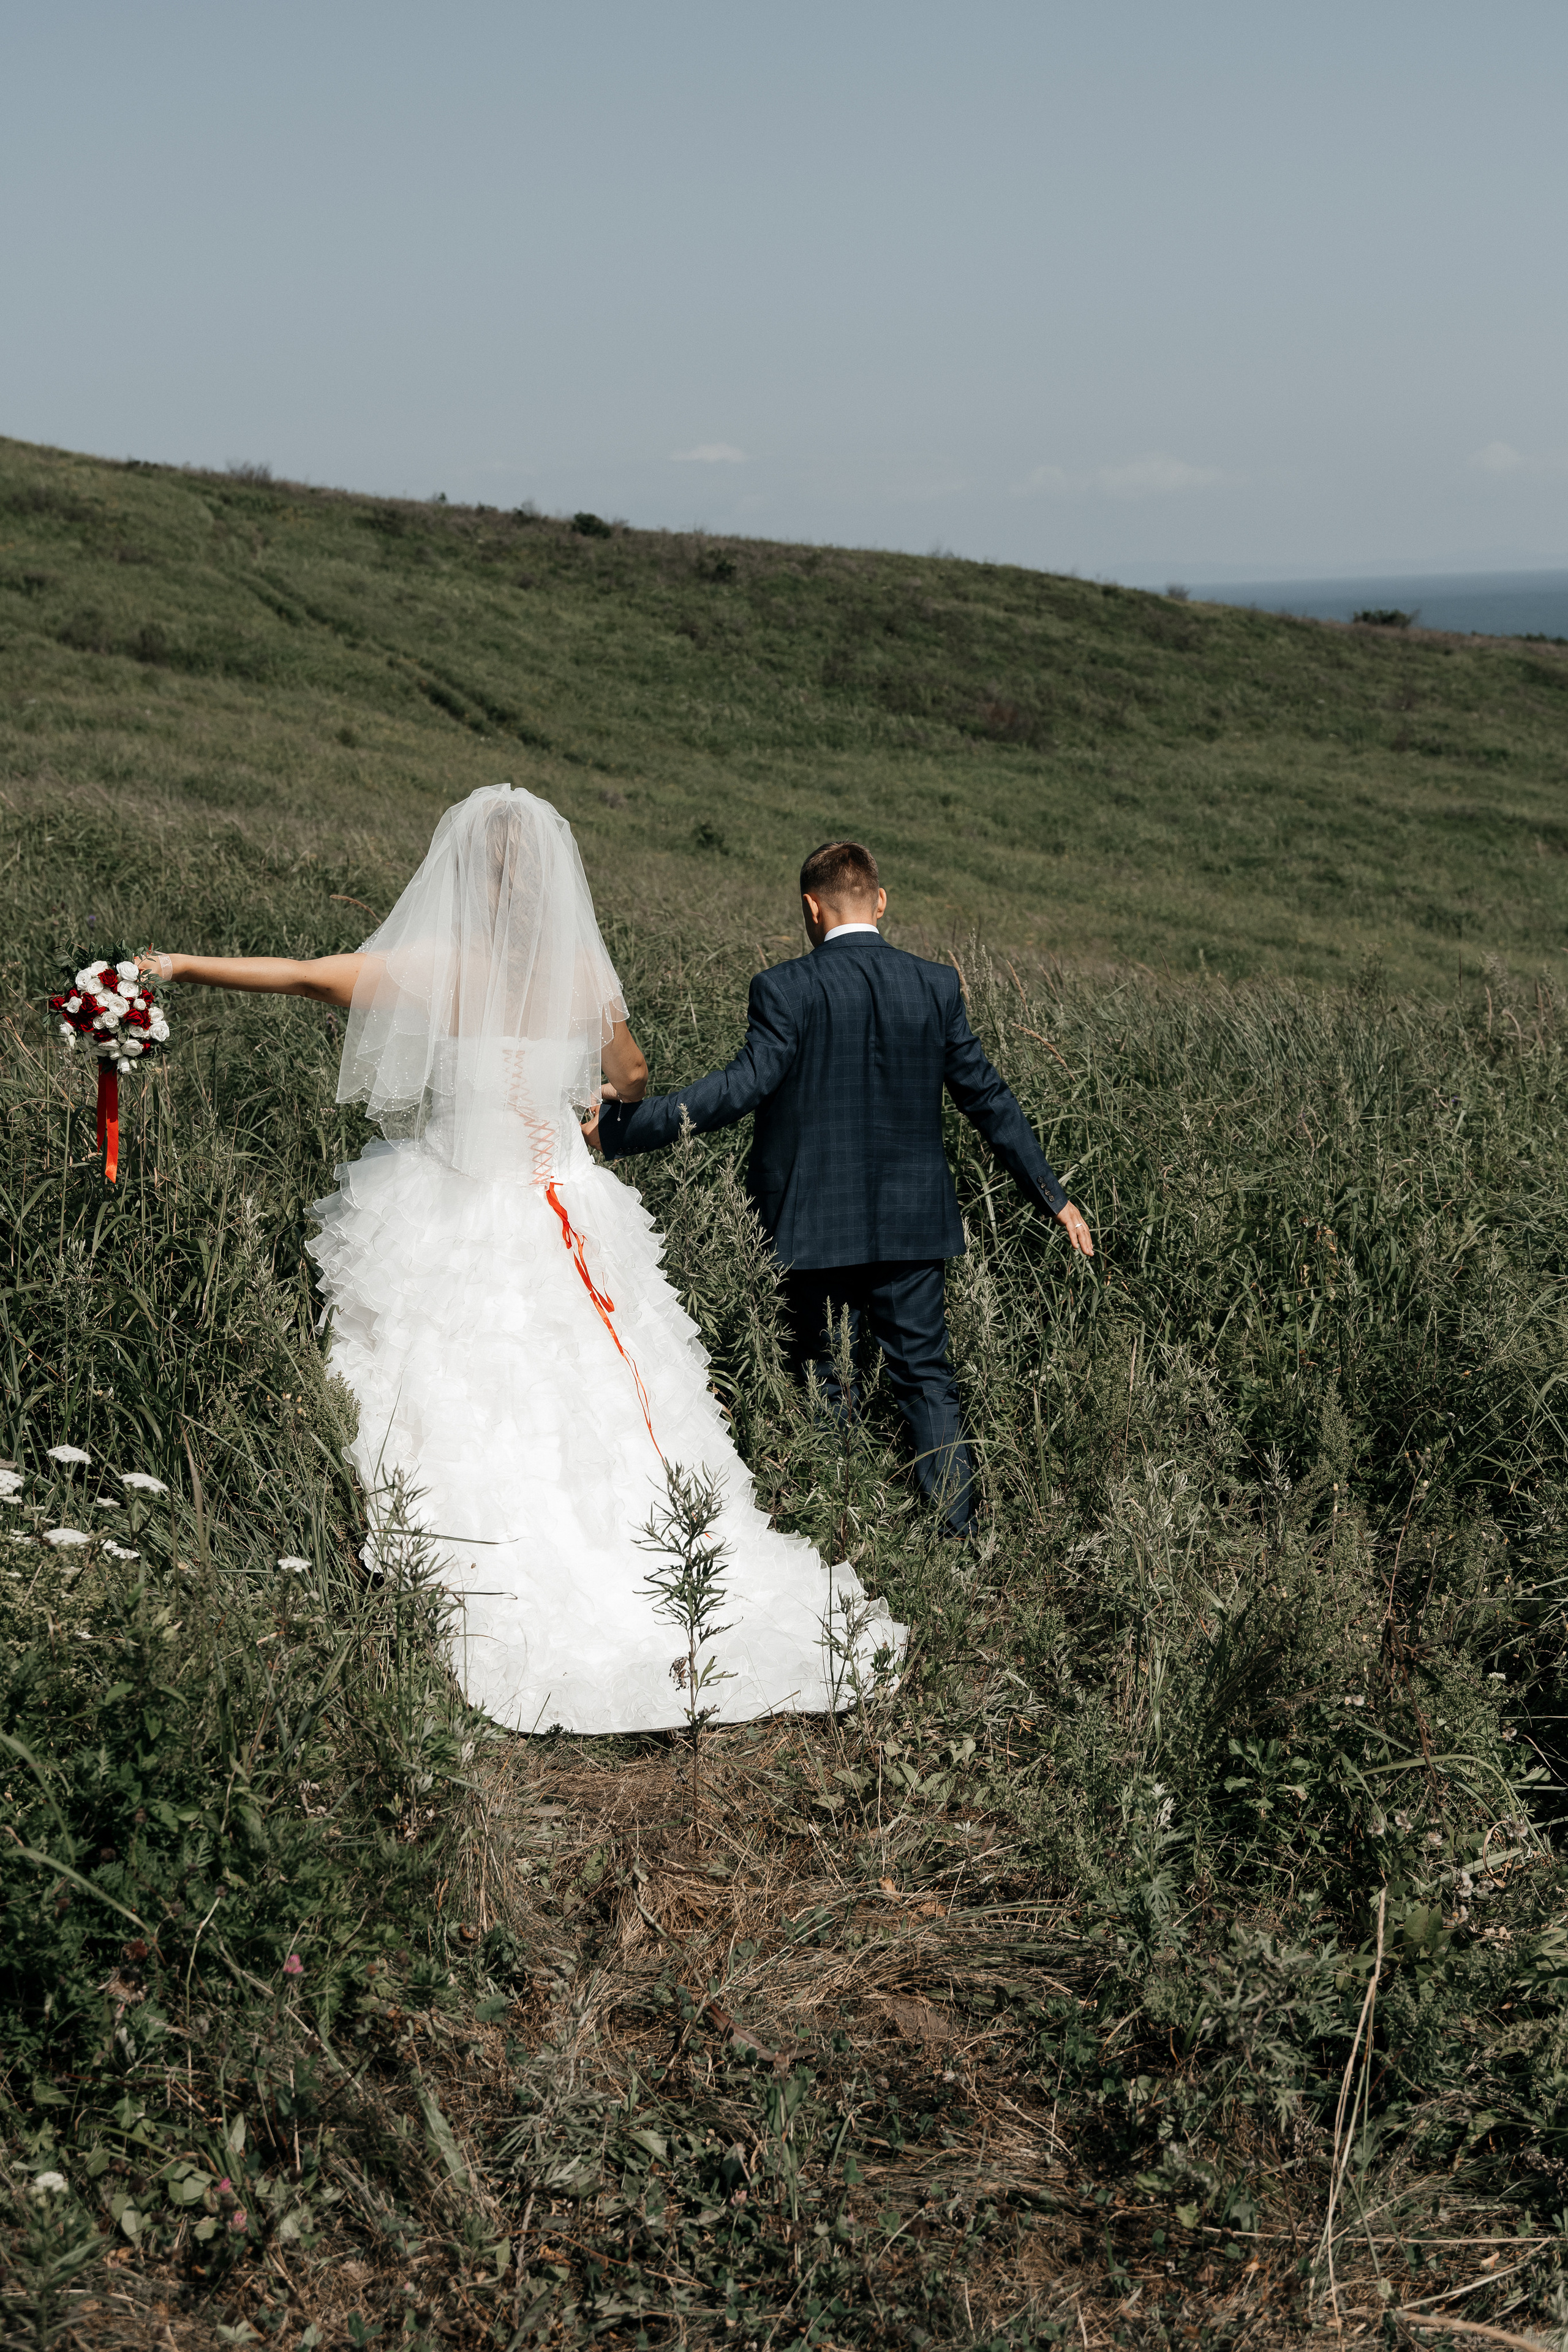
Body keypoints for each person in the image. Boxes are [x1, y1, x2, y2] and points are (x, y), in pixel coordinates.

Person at [138, 783, 901, 1733]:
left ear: (454, 871)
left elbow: (297, 974)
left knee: (466, 1384)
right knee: (601, 1387)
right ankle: (668, 1570)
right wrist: (583, 1088)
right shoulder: (576, 973)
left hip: (453, 1200)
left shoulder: (427, 964)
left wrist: (173, 964)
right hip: (566, 1206)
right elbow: (633, 1076)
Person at [587, 840, 1093, 1536]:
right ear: (879, 902)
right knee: (924, 1378)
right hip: (914, 1222)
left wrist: (617, 1131)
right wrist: (1052, 1195)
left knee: (822, 1374)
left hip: (811, 1221)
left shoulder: (784, 987)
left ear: (810, 908)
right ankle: (957, 1539)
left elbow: (737, 1091)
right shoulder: (935, 985)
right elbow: (988, 1099)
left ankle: (841, 1533)